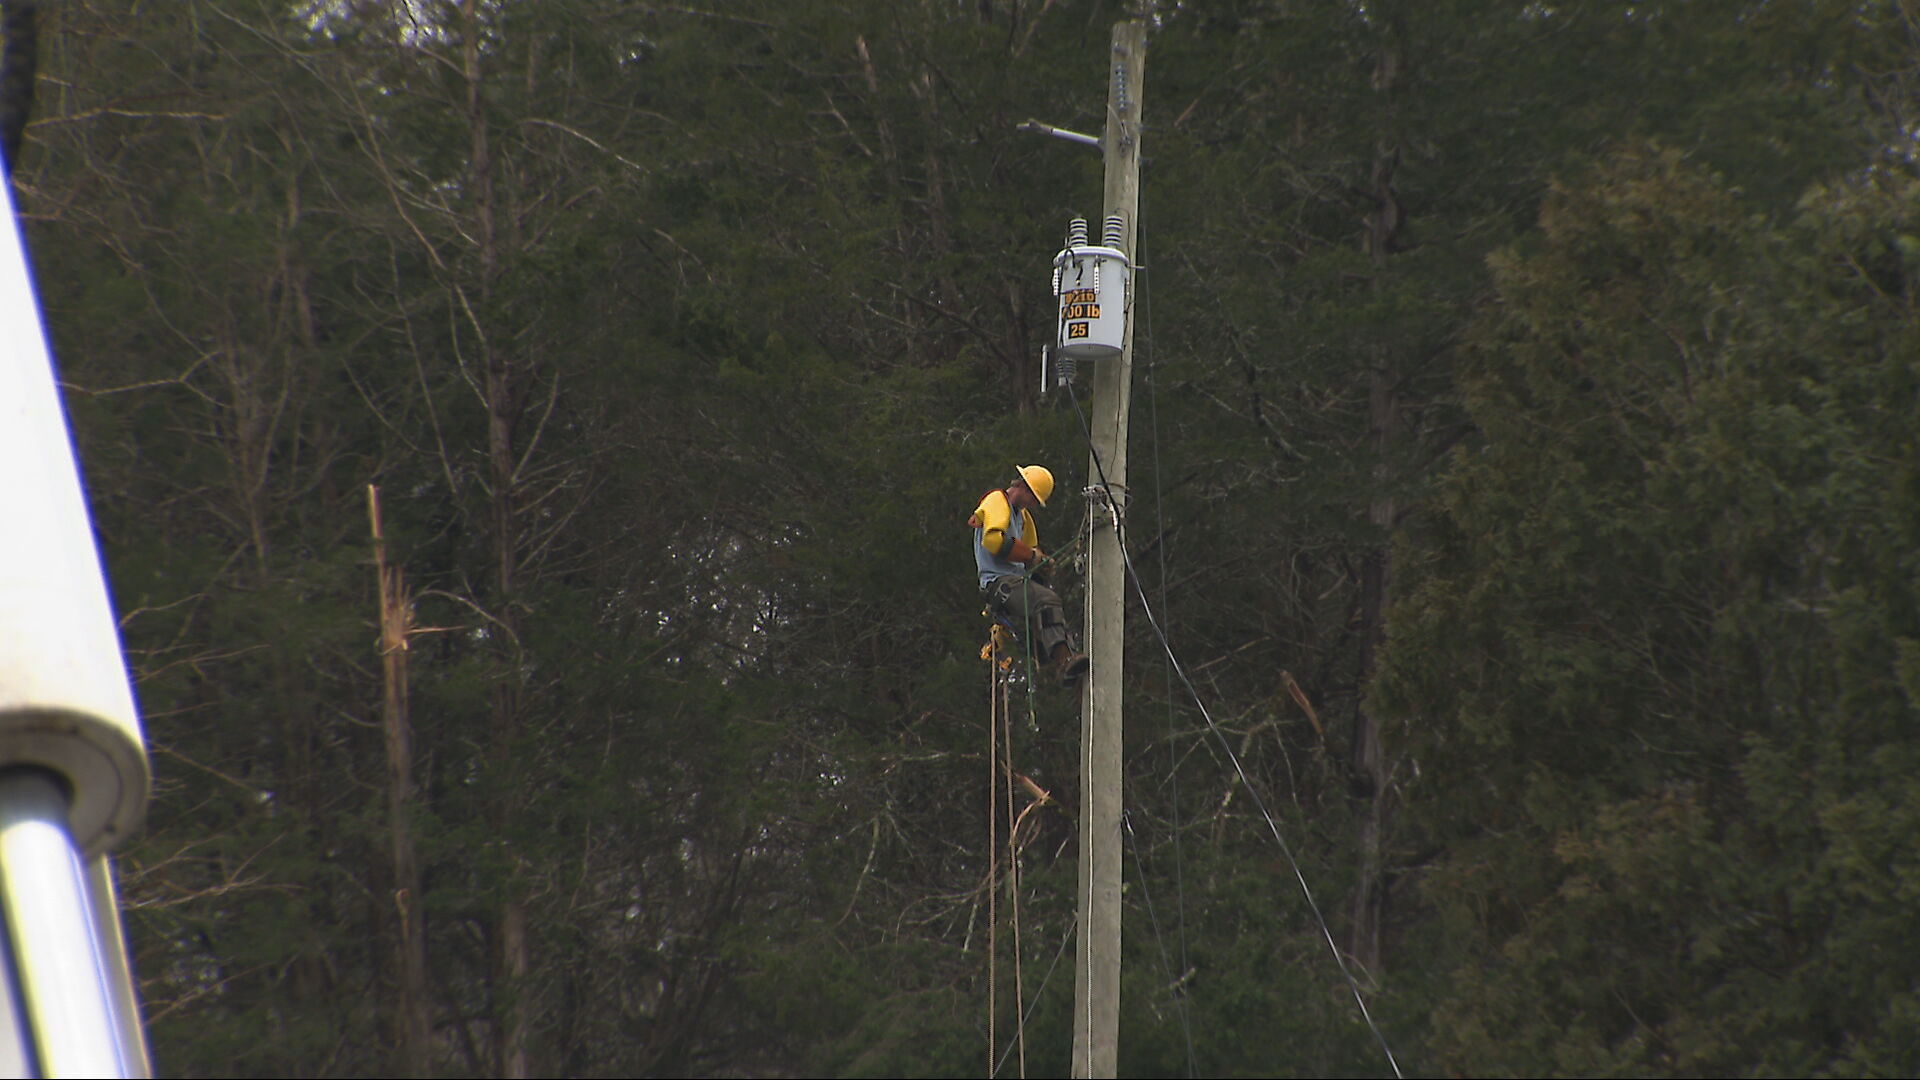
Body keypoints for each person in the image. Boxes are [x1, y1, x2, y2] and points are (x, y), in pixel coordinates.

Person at [970, 464, 1089, 685]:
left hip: (1014, 583)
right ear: (1022, 486)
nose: (1032, 504)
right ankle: (1065, 660)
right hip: (999, 583)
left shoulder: (1023, 518)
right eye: (1032, 498)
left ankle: (1060, 662)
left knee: (1046, 608)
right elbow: (993, 540)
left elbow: (1032, 560)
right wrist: (1032, 557)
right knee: (1045, 600)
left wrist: (1042, 564)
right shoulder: (997, 500)